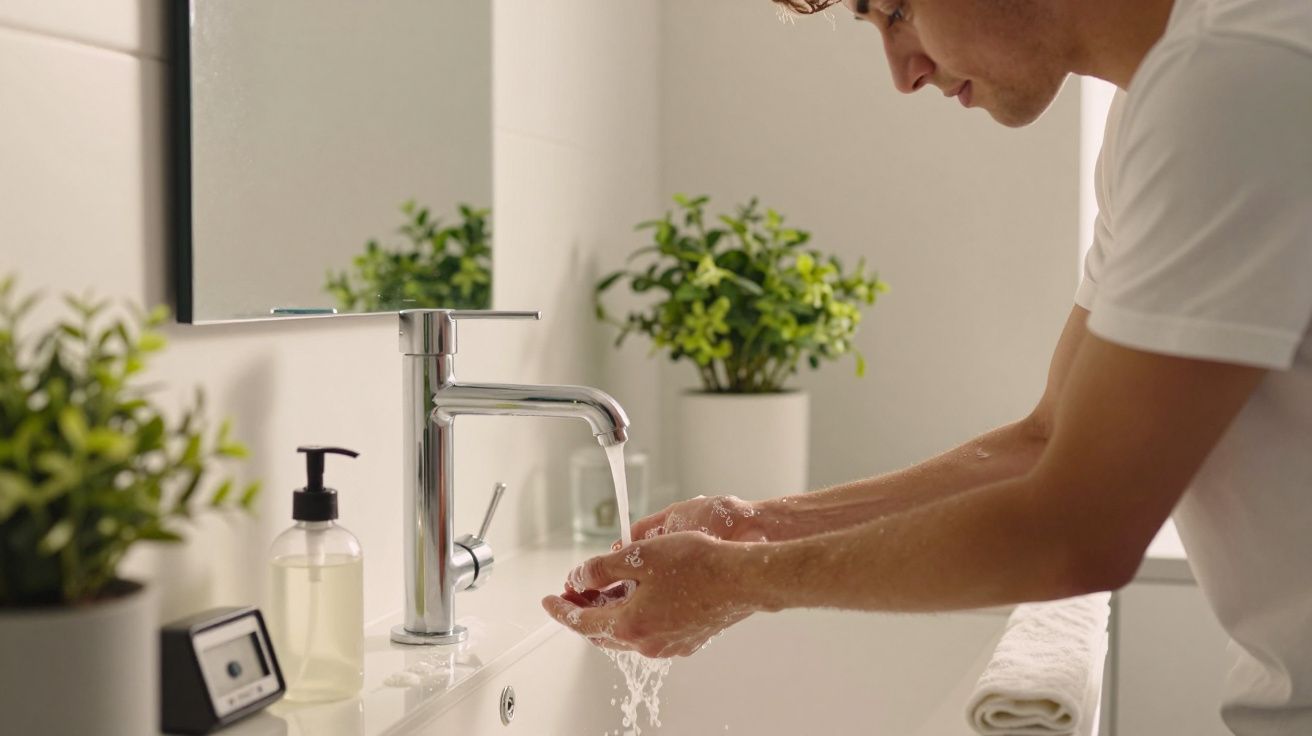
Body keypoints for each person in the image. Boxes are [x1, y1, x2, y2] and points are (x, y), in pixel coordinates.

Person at [542, 0, 1312, 730]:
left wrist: (737, 583)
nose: (903, 72)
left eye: (897, 9)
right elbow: (1044, 441)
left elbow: (1076, 531)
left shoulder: (1230, 78)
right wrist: (755, 528)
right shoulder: (1169, 101)